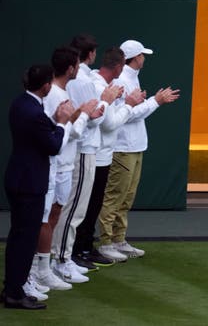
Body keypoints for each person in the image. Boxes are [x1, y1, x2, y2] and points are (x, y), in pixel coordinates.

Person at [97, 39, 180, 260]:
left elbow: (133, 110)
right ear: (135, 58)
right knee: (114, 196)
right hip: (122, 147)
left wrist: (150, 101)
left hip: (135, 145)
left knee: (127, 197)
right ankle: (105, 243)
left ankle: (118, 239)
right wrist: (156, 101)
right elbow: (126, 114)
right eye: (142, 55)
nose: (145, 58)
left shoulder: (132, 77)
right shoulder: (122, 80)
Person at [2, 64, 72, 309]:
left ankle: (12, 287)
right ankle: (14, 292)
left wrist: (53, 120)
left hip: (19, 179)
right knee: (25, 238)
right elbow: (53, 146)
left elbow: (38, 132)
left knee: (18, 236)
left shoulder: (21, 104)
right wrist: (62, 122)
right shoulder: (32, 112)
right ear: (45, 86)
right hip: (29, 184)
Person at [31, 46, 100, 294]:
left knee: (53, 215)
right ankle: (37, 271)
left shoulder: (60, 92)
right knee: (44, 220)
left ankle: (43, 268)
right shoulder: (55, 95)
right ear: (72, 68)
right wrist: (85, 115)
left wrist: (81, 114)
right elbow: (67, 132)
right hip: (56, 165)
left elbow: (66, 126)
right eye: (77, 66)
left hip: (62, 165)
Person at [73, 47, 145, 267]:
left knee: (93, 206)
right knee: (83, 208)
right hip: (94, 153)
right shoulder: (98, 85)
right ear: (118, 66)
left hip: (101, 153)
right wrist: (130, 105)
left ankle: (86, 248)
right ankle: (78, 252)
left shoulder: (107, 85)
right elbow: (108, 122)